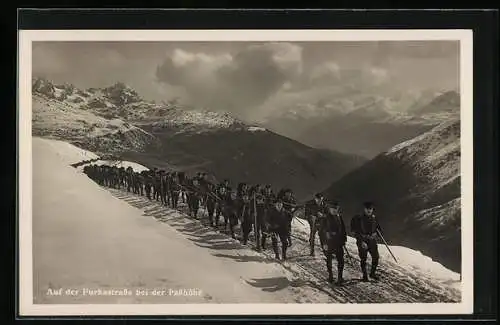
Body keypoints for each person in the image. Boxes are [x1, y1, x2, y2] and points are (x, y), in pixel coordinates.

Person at [350, 201, 381, 281]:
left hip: (372, 241)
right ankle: (364, 276)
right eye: (367, 209)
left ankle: (372, 273)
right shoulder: (358, 219)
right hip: (362, 240)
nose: (369, 210)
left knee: (376, 257)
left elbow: (379, 229)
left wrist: (377, 234)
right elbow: (354, 232)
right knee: (363, 258)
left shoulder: (374, 218)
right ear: (364, 209)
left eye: (370, 209)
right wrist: (361, 241)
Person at [318, 200, 347, 285]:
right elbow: (321, 233)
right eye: (333, 208)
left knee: (341, 261)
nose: (334, 210)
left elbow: (343, 230)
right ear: (329, 209)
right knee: (329, 259)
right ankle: (330, 276)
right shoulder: (325, 219)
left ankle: (340, 277)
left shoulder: (339, 217)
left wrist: (344, 240)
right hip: (329, 242)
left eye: (336, 208)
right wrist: (324, 244)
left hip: (338, 242)